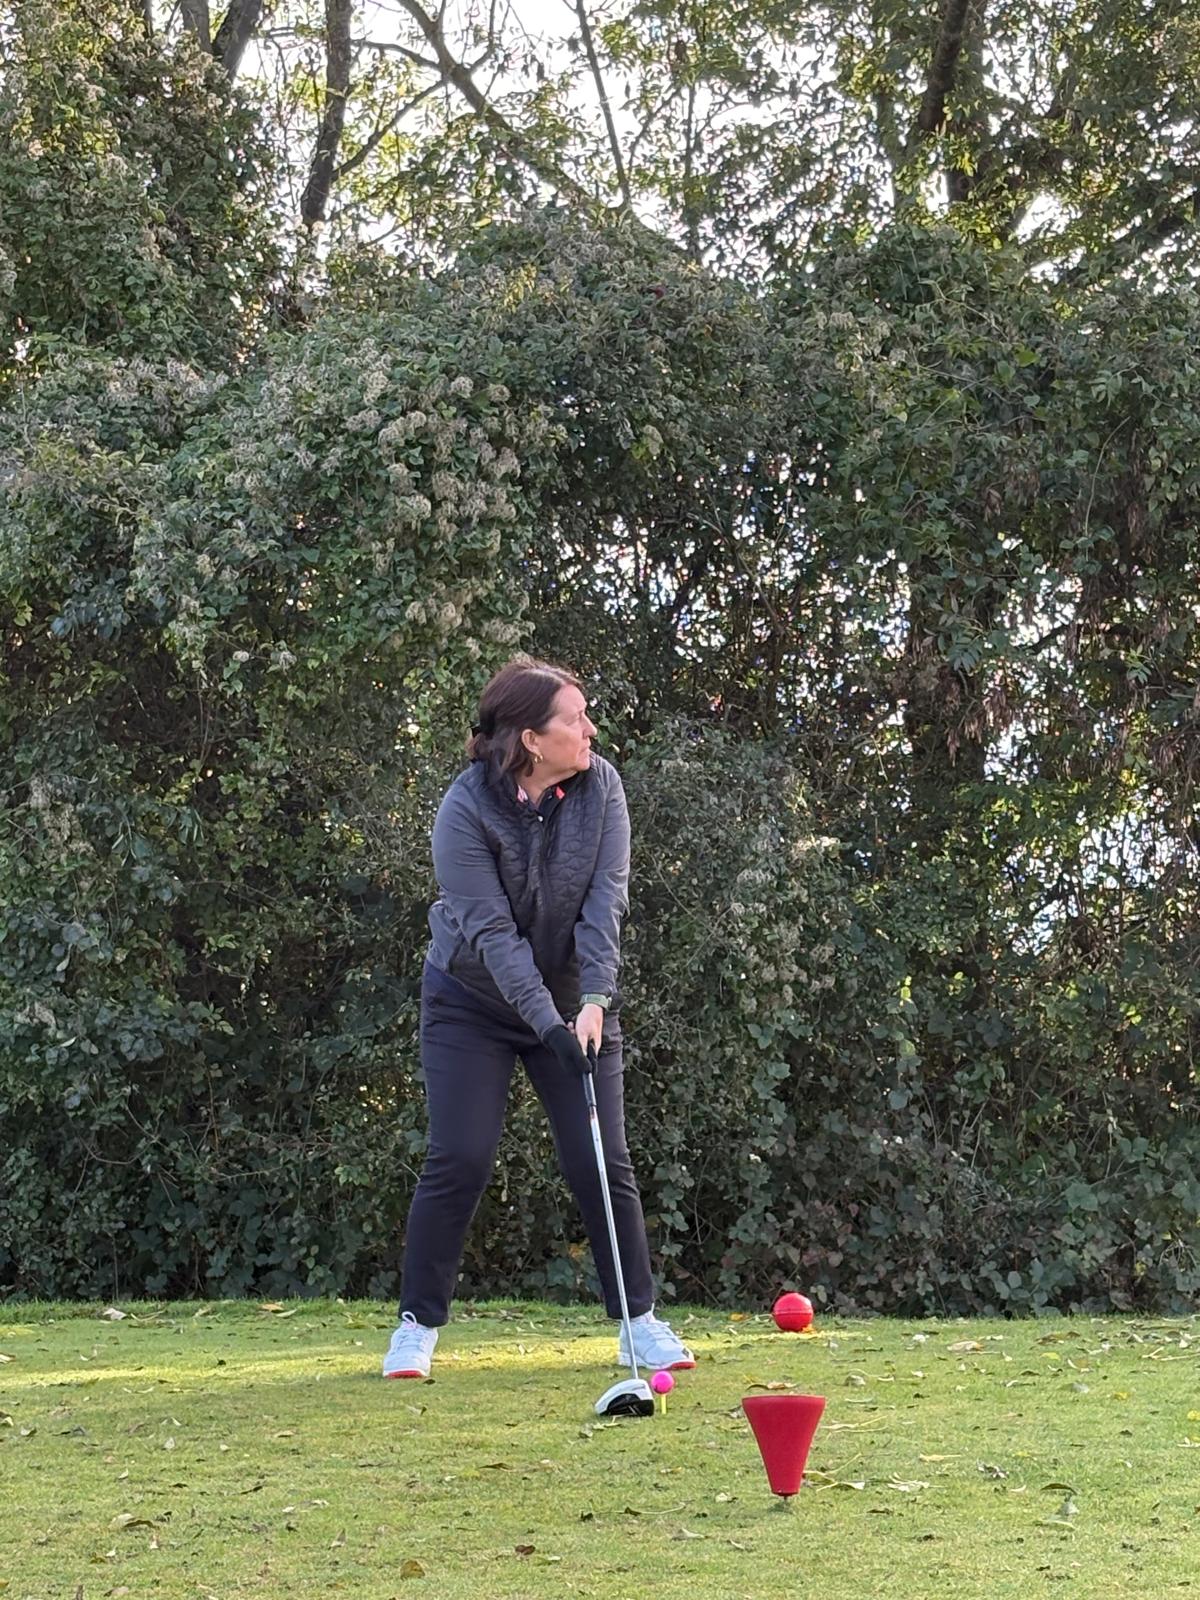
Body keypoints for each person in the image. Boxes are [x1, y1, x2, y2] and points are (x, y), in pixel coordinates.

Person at [382, 656, 693, 1379]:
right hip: (471, 1002)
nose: (590, 730)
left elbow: (605, 904)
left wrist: (592, 1002)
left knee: (600, 1158)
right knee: (460, 1156)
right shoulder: (464, 810)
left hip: (576, 1003)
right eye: (575, 719)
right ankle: (416, 1326)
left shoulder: (602, 787)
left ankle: (638, 1322)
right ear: (530, 738)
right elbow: (492, 935)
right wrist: (546, 1025)